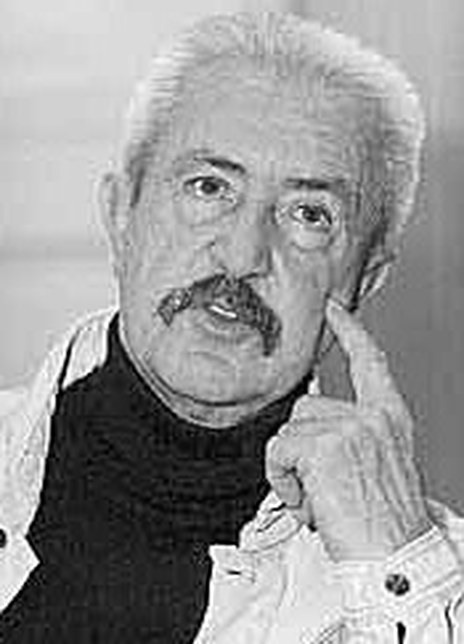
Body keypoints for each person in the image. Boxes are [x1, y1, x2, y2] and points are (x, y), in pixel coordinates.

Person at [0, 11, 463, 644]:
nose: (243, 256)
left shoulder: (427, 579)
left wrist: (392, 565)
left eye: (309, 214)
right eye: (209, 186)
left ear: (365, 281)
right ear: (120, 216)